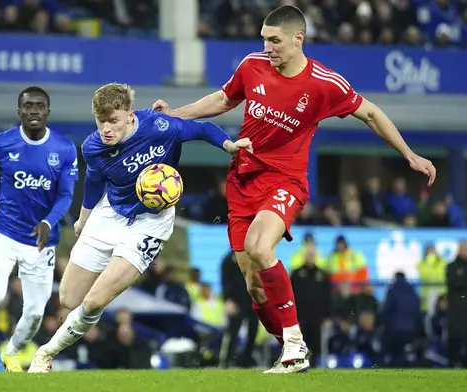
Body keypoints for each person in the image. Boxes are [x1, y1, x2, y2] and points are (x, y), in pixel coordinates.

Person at [152, 5, 436, 374]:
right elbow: (223, 100)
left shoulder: (324, 83)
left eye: (275, 40)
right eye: (264, 39)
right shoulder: (252, 66)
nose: (267, 47)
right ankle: (289, 348)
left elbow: (371, 113)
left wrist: (409, 154)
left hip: (286, 182)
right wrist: (177, 114)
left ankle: (295, 345)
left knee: (259, 246)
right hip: (242, 182)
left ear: (298, 38)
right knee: (254, 286)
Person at [27, 82, 251, 372]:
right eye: (101, 121)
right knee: (68, 298)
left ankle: (45, 355)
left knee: (95, 301)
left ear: (129, 115)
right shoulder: (94, 146)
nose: (106, 128)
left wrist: (228, 145)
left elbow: (201, 129)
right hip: (110, 213)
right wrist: (84, 217)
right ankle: (80, 350)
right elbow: (94, 181)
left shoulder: (158, 126)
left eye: (113, 121)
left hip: (150, 222)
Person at [0, 86, 79, 372]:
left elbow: (65, 196)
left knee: (34, 314)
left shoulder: (64, 147)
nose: (34, 110)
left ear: (48, 111)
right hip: (4, 233)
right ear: (19, 110)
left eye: (40, 106)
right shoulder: (1, 143)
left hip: (42, 241)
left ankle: (11, 352)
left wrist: (48, 221)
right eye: (28, 106)